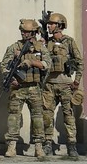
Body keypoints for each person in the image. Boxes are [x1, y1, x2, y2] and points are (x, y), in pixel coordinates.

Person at [0, 19, 52, 157]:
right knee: (13, 117)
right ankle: (11, 146)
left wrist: (33, 62)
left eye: (27, 32)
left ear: (33, 32)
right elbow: (4, 65)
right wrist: (10, 78)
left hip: (34, 88)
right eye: (22, 31)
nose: (24, 34)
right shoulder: (14, 47)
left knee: (38, 118)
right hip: (18, 88)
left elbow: (47, 64)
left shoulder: (41, 48)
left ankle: (39, 147)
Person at [42, 13, 84, 157]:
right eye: (48, 24)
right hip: (49, 85)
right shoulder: (47, 42)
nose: (49, 26)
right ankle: (47, 143)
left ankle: (72, 145)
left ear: (59, 25)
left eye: (52, 23)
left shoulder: (69, 42)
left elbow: (79, 62)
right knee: (47, 115)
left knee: (68, 116)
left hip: (66, 85)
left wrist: (77, 80)